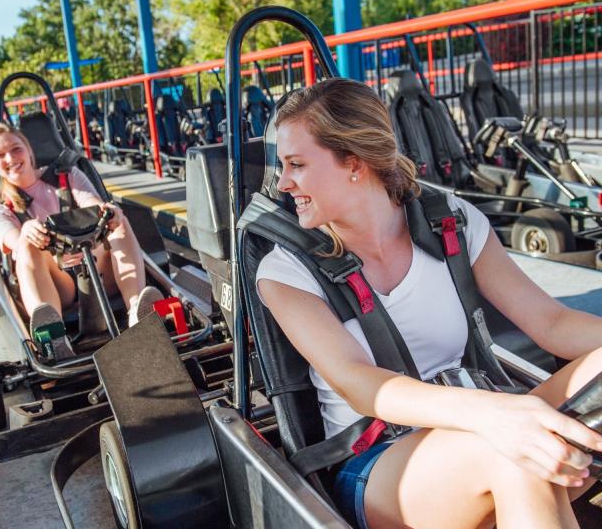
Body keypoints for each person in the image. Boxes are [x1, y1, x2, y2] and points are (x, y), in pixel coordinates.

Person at [256, 78, 602, 529]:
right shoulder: (285, 272)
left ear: (355, 163)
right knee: (513, 456)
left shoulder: (451, 223)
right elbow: (361, 383)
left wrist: (498, 416)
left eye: (296, 164)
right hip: (379, 457)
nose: (283, 183)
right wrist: (497, 416)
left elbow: (552, 322)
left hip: (480, 414)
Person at [0, 122, 161, 334]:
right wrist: (27, 232)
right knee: (26, 243)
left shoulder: (67, 176)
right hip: (56, 283)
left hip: (97, 269)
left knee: (119, 223)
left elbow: (93, 205)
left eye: (16, 149)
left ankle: (136, 312)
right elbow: (12, 241)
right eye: (0, 155)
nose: (11, 159)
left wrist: (109, 213)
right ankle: (52, 335)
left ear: (28, 150)